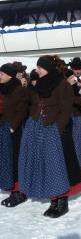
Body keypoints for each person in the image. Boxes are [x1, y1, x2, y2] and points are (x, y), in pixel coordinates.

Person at [19, 55, 81, 218]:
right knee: (47, 165)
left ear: (47, 68)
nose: (37, 70)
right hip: (38, 128)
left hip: (55, 130)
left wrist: (57, 128)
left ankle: (62, 201)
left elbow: (66, 108)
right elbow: (32, 102)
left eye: (40, 67)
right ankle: (54, 198)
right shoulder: (39, 83)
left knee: (58, 167)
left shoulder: (62, 84)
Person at [0, 64, 29, 207]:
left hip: (13, 129)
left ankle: (19, 191)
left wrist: (13, 126)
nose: (0, 75)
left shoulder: (18, 89)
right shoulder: (2, 88)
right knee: (5, 159)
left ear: (10, 75)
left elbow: (23, 109)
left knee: (15, 159)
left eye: (2, 74)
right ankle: (10, 186)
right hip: (2, 127)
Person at [65, 69, 81, 179]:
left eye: (73, 77)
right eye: (71, 77)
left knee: (80, 143)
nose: (73, 79)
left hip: (76, 117)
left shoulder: (77, 86)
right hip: (68, 118)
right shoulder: (64, 89)